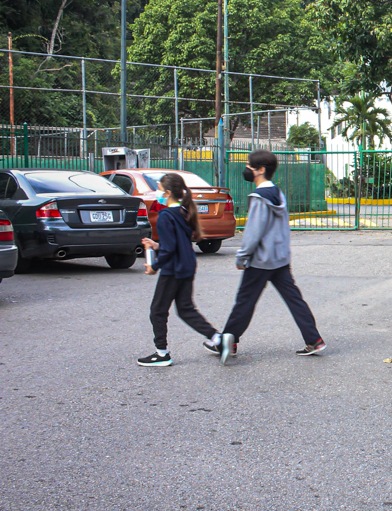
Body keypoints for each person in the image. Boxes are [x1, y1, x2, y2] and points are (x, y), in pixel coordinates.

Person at [216, 150, 324, 364]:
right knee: (294, 300)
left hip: (261, 260)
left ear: (261, 170)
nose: (247, 169)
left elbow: (253, 232)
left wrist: (241, 257)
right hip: (280, 259)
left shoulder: (259, 198)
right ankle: (315, 339)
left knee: (244, 301)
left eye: (249, 165)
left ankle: (227, 341)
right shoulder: (278, 194)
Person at [137, 173, 223, 367]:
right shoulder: (184, 212)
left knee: (157, 311)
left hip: (173, 269)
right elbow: (176, 243)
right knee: (185, 309)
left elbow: (169, 250)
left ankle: (162, 354)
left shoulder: (166, 216)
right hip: (187, 265)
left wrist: (154, 267)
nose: (157, 193)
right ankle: (218, 339)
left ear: (168, 192)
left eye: (159, 189)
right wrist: (156, 246)